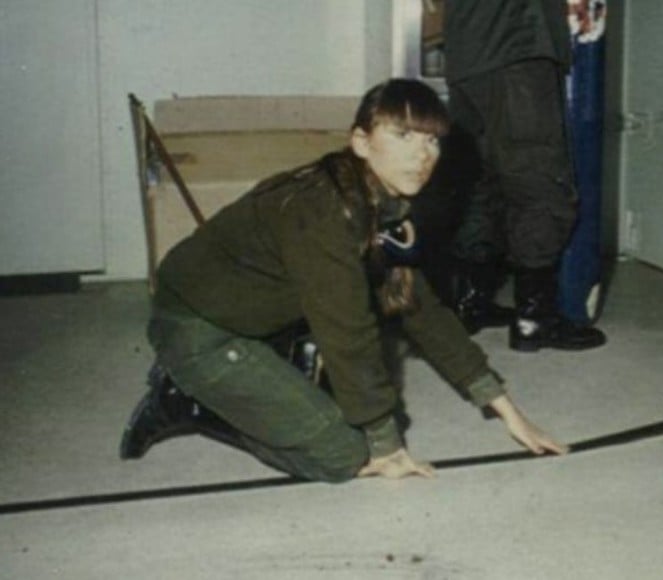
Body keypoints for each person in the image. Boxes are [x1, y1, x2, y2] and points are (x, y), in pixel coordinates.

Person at [119, 79, 567, 483]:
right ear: (361, 142)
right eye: (404, 135)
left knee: (339, 386)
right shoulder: (324, 211)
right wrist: (386, 447)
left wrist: (505, 410)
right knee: (344, 454)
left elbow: (421, 310)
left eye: (432, 139)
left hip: (249, 310)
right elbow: (349, 333)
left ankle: (259, 375)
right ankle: (185, 400)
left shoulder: (382, 203)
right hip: (198, 328)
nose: (423, 154)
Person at [442, 0, 607, 352]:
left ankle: (471, 302)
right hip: (516, 46)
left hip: (467, 53)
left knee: (482, 183)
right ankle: (535, 318)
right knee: (540, 183)